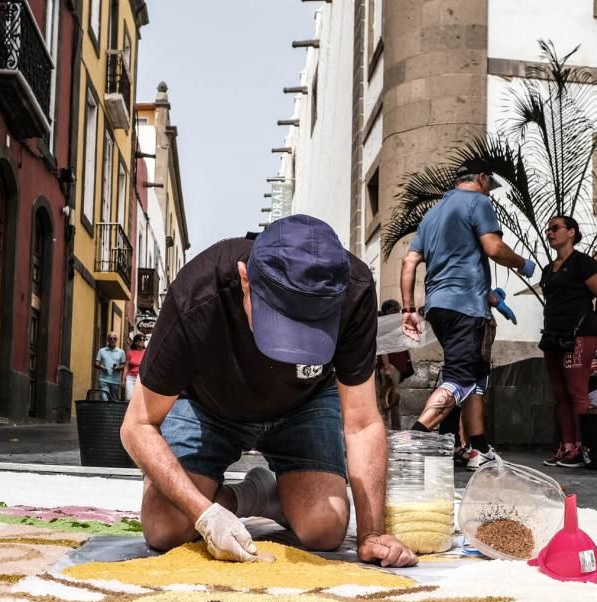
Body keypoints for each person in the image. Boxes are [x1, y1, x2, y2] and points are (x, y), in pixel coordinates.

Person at [120, 214, 417, 567]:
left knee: (325, 528)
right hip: (209, 406)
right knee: (165, 529)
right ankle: (244, 498)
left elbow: (363, 422)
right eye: (280, 327)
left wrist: (372, 534)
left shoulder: (354, 291)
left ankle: (269, 498)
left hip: (302, 406)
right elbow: (137, 425)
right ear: (245, 279)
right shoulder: (199, 292)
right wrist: (205, 515)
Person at [400, 158, 536, 470]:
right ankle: (416, 438)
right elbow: (493, 248)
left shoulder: (432, 215)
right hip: (466, 308)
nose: (491, 191)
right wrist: (522, 263)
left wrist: (408, 309)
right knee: (460, 378)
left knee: (475, 378)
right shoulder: (478, 202)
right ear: (484, 178)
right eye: (491, 185)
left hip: (440, 306)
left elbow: (410, 262)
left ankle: (478, 448)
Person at [537, 215, 597, 468]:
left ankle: (582, 447)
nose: (550, 233)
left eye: (555, 228)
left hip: (579, 335)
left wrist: (593, 319)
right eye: (548, 229)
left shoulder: (584, 263)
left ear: (571, 232)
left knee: (577, 392)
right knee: (559, 394)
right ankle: (566, 446)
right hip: (553, 335)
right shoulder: (548, 269)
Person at [375, 299, 414, 430]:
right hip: (390, 365)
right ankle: (386, 428)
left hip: (398, 364)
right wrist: (386, 367)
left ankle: (394, 429)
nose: (397, 313)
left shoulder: (395, 324)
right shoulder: (385, 325)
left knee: (393, 397)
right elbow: (383, 347)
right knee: (387, 398)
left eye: (398, 310)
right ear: (386, 311)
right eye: (394, 310)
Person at [94, 332, 125, 400]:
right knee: (104, 398)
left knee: (114, 400)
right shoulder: (101, 351)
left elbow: (123, 365)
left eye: (114, 338)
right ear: (107, 339)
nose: (112, 340)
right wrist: (102, 366)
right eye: (110, 338)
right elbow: (96, 363)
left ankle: (112, 411)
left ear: (117, 340)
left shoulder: (121, 352)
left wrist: (118, 368)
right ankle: (105, 410)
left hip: (115, 381)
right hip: (104, 379)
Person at [122, 333, 146, 400]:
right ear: (135, 342)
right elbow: (126, 367)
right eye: (141, 340)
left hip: (141, 378)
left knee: (139, 398)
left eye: (144, 340)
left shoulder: (146, 353)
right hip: (130, 378)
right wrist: (123, 380)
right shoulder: (130, 353)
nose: (143, 341)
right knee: (129, 397)